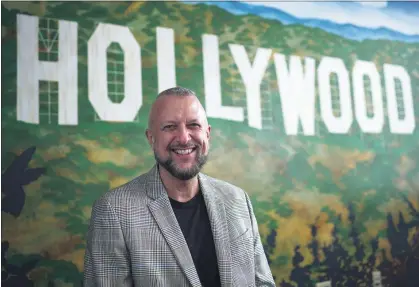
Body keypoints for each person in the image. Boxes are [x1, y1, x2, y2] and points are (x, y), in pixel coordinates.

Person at [83, 87, 275, 287]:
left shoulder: (237, 200)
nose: (184, 138)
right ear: (151, 138)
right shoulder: (114, 211)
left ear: (207, 134)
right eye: (170, 127)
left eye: (193, 125)